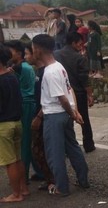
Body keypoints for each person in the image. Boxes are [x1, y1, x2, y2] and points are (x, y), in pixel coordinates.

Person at [31, 34, 89, 197]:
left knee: (54, 153)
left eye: (33, 48)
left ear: (38, 50)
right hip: (64, 115)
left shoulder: (50, 72)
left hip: (54, 116)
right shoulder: (59, 67)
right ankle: (83, 179)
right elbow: (70, 91)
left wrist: (73, 112)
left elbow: (62, 98)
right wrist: (74, 111)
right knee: (72, 147)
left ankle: (62, 187)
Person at [55, 32, 95, 153]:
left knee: (66, 121)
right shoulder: (79, 58)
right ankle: (89, 145)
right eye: (79, 43)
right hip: (78, 93)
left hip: (62, 94)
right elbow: (84, 78)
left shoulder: (56, 55)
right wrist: (90, 95)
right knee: (84, 120)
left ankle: (68, 147)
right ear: (73, 43)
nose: (81, 46)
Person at [25, 44, 56, 193]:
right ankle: (49, 178)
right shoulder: (38, 72)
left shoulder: (46, 73)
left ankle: (53, 181)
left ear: (36, 52)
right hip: (41, 114)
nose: (26, 57)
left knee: (42, 150)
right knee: (40, 150)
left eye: (27, 54)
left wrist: (38, 117)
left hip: (45, 116)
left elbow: (50, 98)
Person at [0, 45, 29, 203]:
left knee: (9, 161)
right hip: (17, 122)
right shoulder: (12, 76)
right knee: (18, 158)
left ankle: (16, 194)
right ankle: (23, 188)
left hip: (3, 125)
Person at [6, 40, 37, 181]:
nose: (8, 54)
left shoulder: (21, 68)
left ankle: (23, 177)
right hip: (27, 104)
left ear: (19, 53)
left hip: (25, 104)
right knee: (28, 140)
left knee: (24, 142)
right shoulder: (23, 67)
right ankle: (37, 172)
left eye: (10, 51)